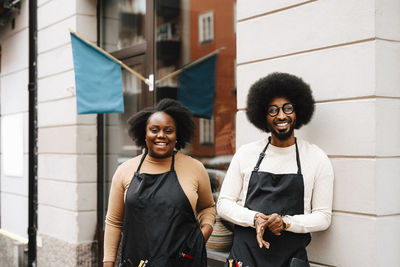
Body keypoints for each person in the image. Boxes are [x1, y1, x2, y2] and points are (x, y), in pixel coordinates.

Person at [217, 72, 334, 267]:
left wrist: (286, 222)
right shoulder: (246, 153)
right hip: (245, 256)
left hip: (290, 259)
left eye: (287, 108)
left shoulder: (316, 157)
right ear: (263, 115)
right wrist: (253, 218)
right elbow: (223, 204)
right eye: (273, 110)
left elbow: (323, 217)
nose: (281, 116)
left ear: (297, 112)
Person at [103, 98, 216, 267]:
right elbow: (114, 222)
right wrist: (108, 263)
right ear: (144, 133)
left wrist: (204, 232)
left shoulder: (195, 168)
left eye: (168, 130)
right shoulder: (125, 170)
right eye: (154, 130)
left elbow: (207, 206)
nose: (161, 135)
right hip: (136, 261)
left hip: (183, 261)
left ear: (177, 135)